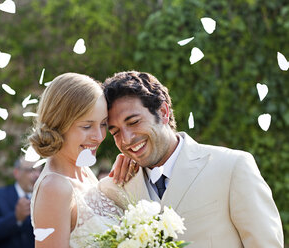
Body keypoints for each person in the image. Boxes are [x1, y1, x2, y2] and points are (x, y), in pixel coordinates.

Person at [99, 71, 284, 248]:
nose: (126, 139)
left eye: (133, 122)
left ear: (163, 112)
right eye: (115, 132)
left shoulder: (232, 167)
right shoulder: (114, 189)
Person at [29, 73, 133, 247]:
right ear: (58, 123)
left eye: (103, 124)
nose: (99, 137)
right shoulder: (55, 188)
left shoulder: (83, 171)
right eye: (87, 126)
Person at [0, 157, 41, 248]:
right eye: (31, 170)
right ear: (17, 173)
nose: (37, 175)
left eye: (39, 170)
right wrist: (16, 218)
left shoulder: (45, 199)